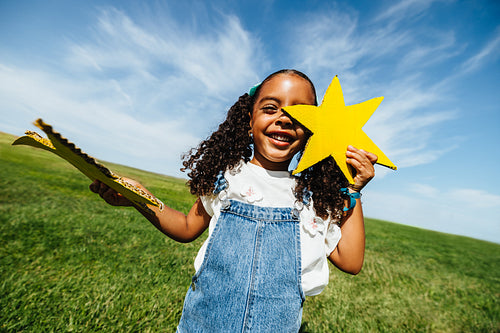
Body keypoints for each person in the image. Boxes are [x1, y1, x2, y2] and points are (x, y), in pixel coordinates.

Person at [90, 69, 377, 332]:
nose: (285, 118)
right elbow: (187, 227)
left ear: (312, 132)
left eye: (300, 115)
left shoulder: (315, 196)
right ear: (249, 121)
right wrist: (140, 197)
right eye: (270, 108)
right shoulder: (228, 177)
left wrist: (353, 188)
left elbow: (350, 261)